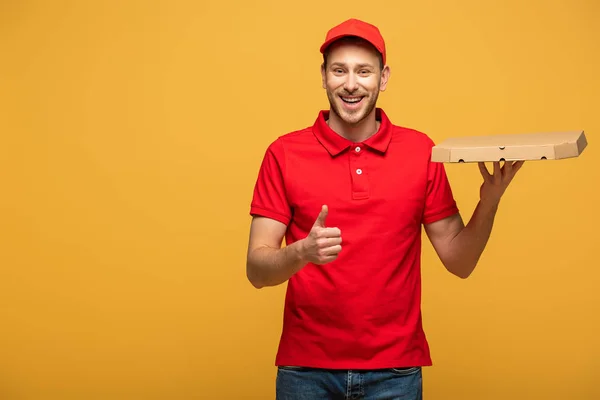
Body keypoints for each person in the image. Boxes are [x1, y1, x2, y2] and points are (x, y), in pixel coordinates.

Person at [246, 18, 524, 400]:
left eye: (364, 71)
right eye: (339, 70)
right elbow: (256, 270)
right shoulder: (284, 153)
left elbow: (460, 261)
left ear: (384, 77)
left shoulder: (420, 151)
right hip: (306, 371)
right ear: (324, 76)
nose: (351, 84)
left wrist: (489, 199)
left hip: (395, 373)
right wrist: (300, 253)